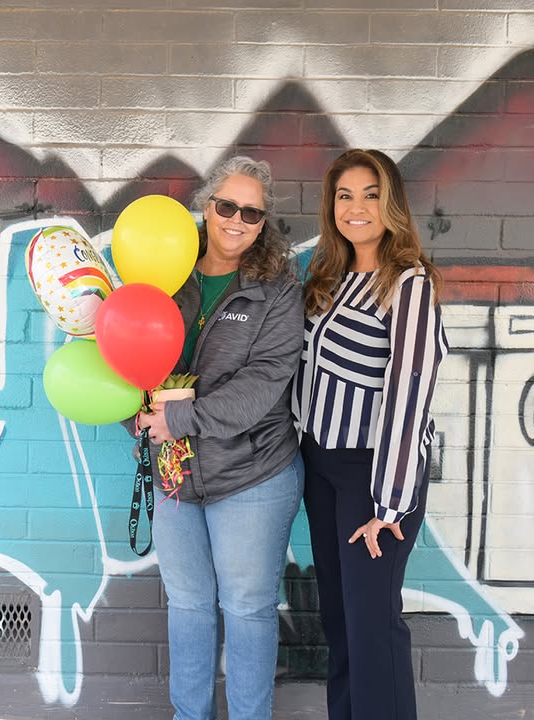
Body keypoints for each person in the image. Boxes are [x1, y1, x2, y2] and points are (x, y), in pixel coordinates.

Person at [135, 155, 304, 720]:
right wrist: (135, 414)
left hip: (252, 473)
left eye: (251, 213)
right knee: (187, 605)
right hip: (176, 472)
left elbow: (264, 386)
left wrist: (177, 420)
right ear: (205, 208)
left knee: (248, 607)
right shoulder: (164, 277)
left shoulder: (275, 289)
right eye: (225, 206)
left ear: (263, 224)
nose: (236, 220)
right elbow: (128, 359)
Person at [295, 149, 448, 720]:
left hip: (373, 477)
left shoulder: (408, 285)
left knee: (372, 626)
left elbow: (410, 394)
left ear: (392, 204)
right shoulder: (328, 278)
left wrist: (389, 505)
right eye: (344, 195)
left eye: (370, 194)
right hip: (320, 468)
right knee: (339, 623)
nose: (356, 208)